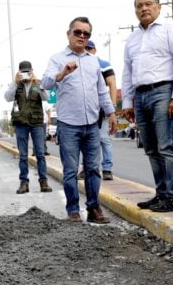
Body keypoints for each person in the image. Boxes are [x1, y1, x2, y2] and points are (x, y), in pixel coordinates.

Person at [41, 17, 117, 223]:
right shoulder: (57, 59)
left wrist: (111, 113)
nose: (82, 37)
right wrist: (63, 73)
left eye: (86, 34)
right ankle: (73, 210)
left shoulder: (93, 61)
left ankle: (94, 209)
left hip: (92, 124)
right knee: (70, 170)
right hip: (68, 125)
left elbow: (102, 91)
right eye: (78, 32)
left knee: (93, 169)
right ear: (69, 34)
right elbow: (45, 83)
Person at [121, 0, 173, 212]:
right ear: (135, 11)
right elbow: (127, 72)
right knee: (151, 148)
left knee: (167, 146)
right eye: (139, 6)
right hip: (140, 96)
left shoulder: (171, 29)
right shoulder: (132, 38)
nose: (144, 9)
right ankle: (161, 194)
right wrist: (128, 103)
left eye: (148, 4)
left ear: (159, 7)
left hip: (164, 91)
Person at [4, 60, 52, 194]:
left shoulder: (37, 84)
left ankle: (43, 182)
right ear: (19, 72)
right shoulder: (16, 85)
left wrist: (38, 83)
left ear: (32, 71)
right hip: (21, 124)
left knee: (40, 154)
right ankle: (24, 183)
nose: (25, 74)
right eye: (23, 72)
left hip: (37, 123)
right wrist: (15, 82)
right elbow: (7, 98)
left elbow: (46, 97)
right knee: (23, 155)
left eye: (28, 71)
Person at [77, 40, 117, 181]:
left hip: (102, 109)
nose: (87, 50)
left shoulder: (103, 65)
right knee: (85, 140)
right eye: (85, 47)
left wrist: (111, 108)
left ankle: (107, 169)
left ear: (95, 50)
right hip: (85, 109)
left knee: (104, 139)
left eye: (90, 48)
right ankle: (86, 168)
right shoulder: (78, 63)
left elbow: (112, 84)